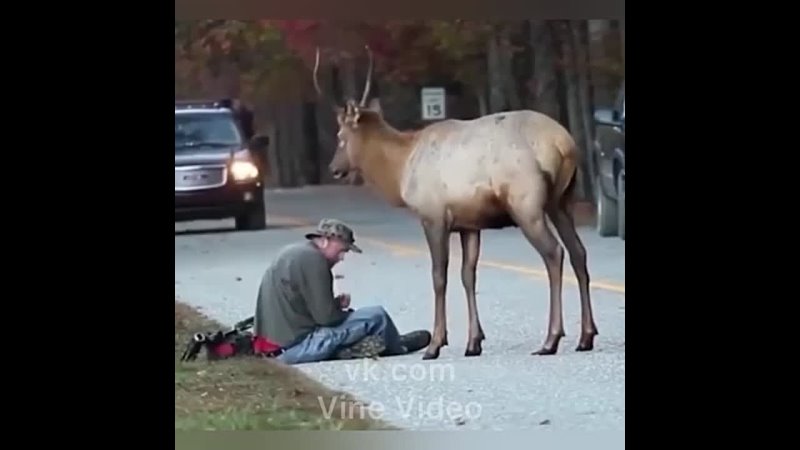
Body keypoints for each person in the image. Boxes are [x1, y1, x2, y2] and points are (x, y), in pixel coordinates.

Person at [253, 218, 431, 365]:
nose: (342, 257)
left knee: (355, 320)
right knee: (376, 316)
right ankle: (398, 347)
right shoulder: (315, 261)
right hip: (295, 348)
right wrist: (342, 312)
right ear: (324, 241)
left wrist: (335, 305)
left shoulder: (293, 252)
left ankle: (350, 349)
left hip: (270, 348)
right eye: (341, 251)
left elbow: (305, 307)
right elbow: (326, 319)